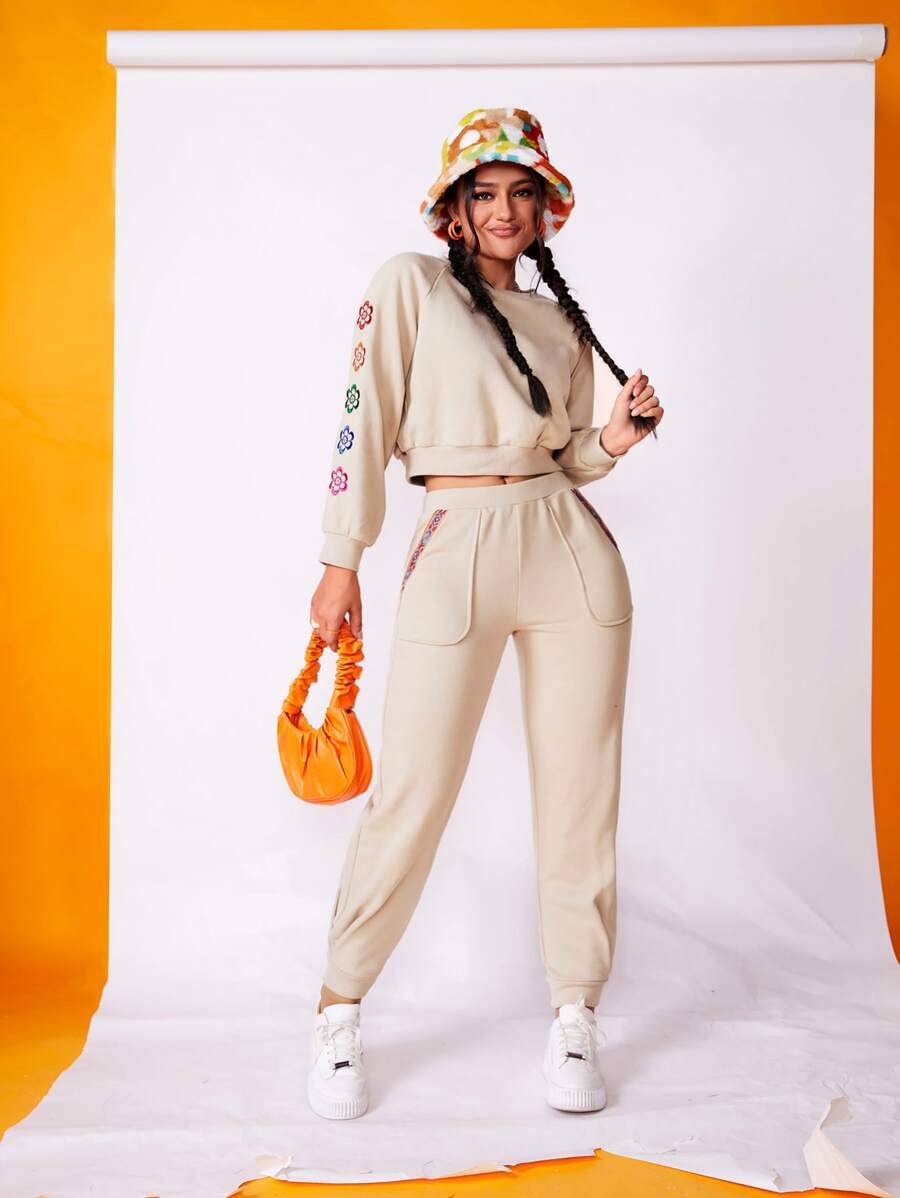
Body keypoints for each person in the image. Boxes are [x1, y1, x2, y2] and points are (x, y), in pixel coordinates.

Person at [305, 106, 664, 1121]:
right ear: (454, 211)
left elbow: (565, 458)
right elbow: (360, 419)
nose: (504, 210)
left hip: (569, 553)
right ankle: (338, 1006)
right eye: (484, 193)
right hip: (453, 544)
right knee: (413, 791)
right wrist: (341, 561)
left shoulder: (561, 327)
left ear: (544, 210)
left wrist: (614, 438)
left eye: (521, 194)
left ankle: (575, 1012)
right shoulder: (410, 286)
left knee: (581, 792)